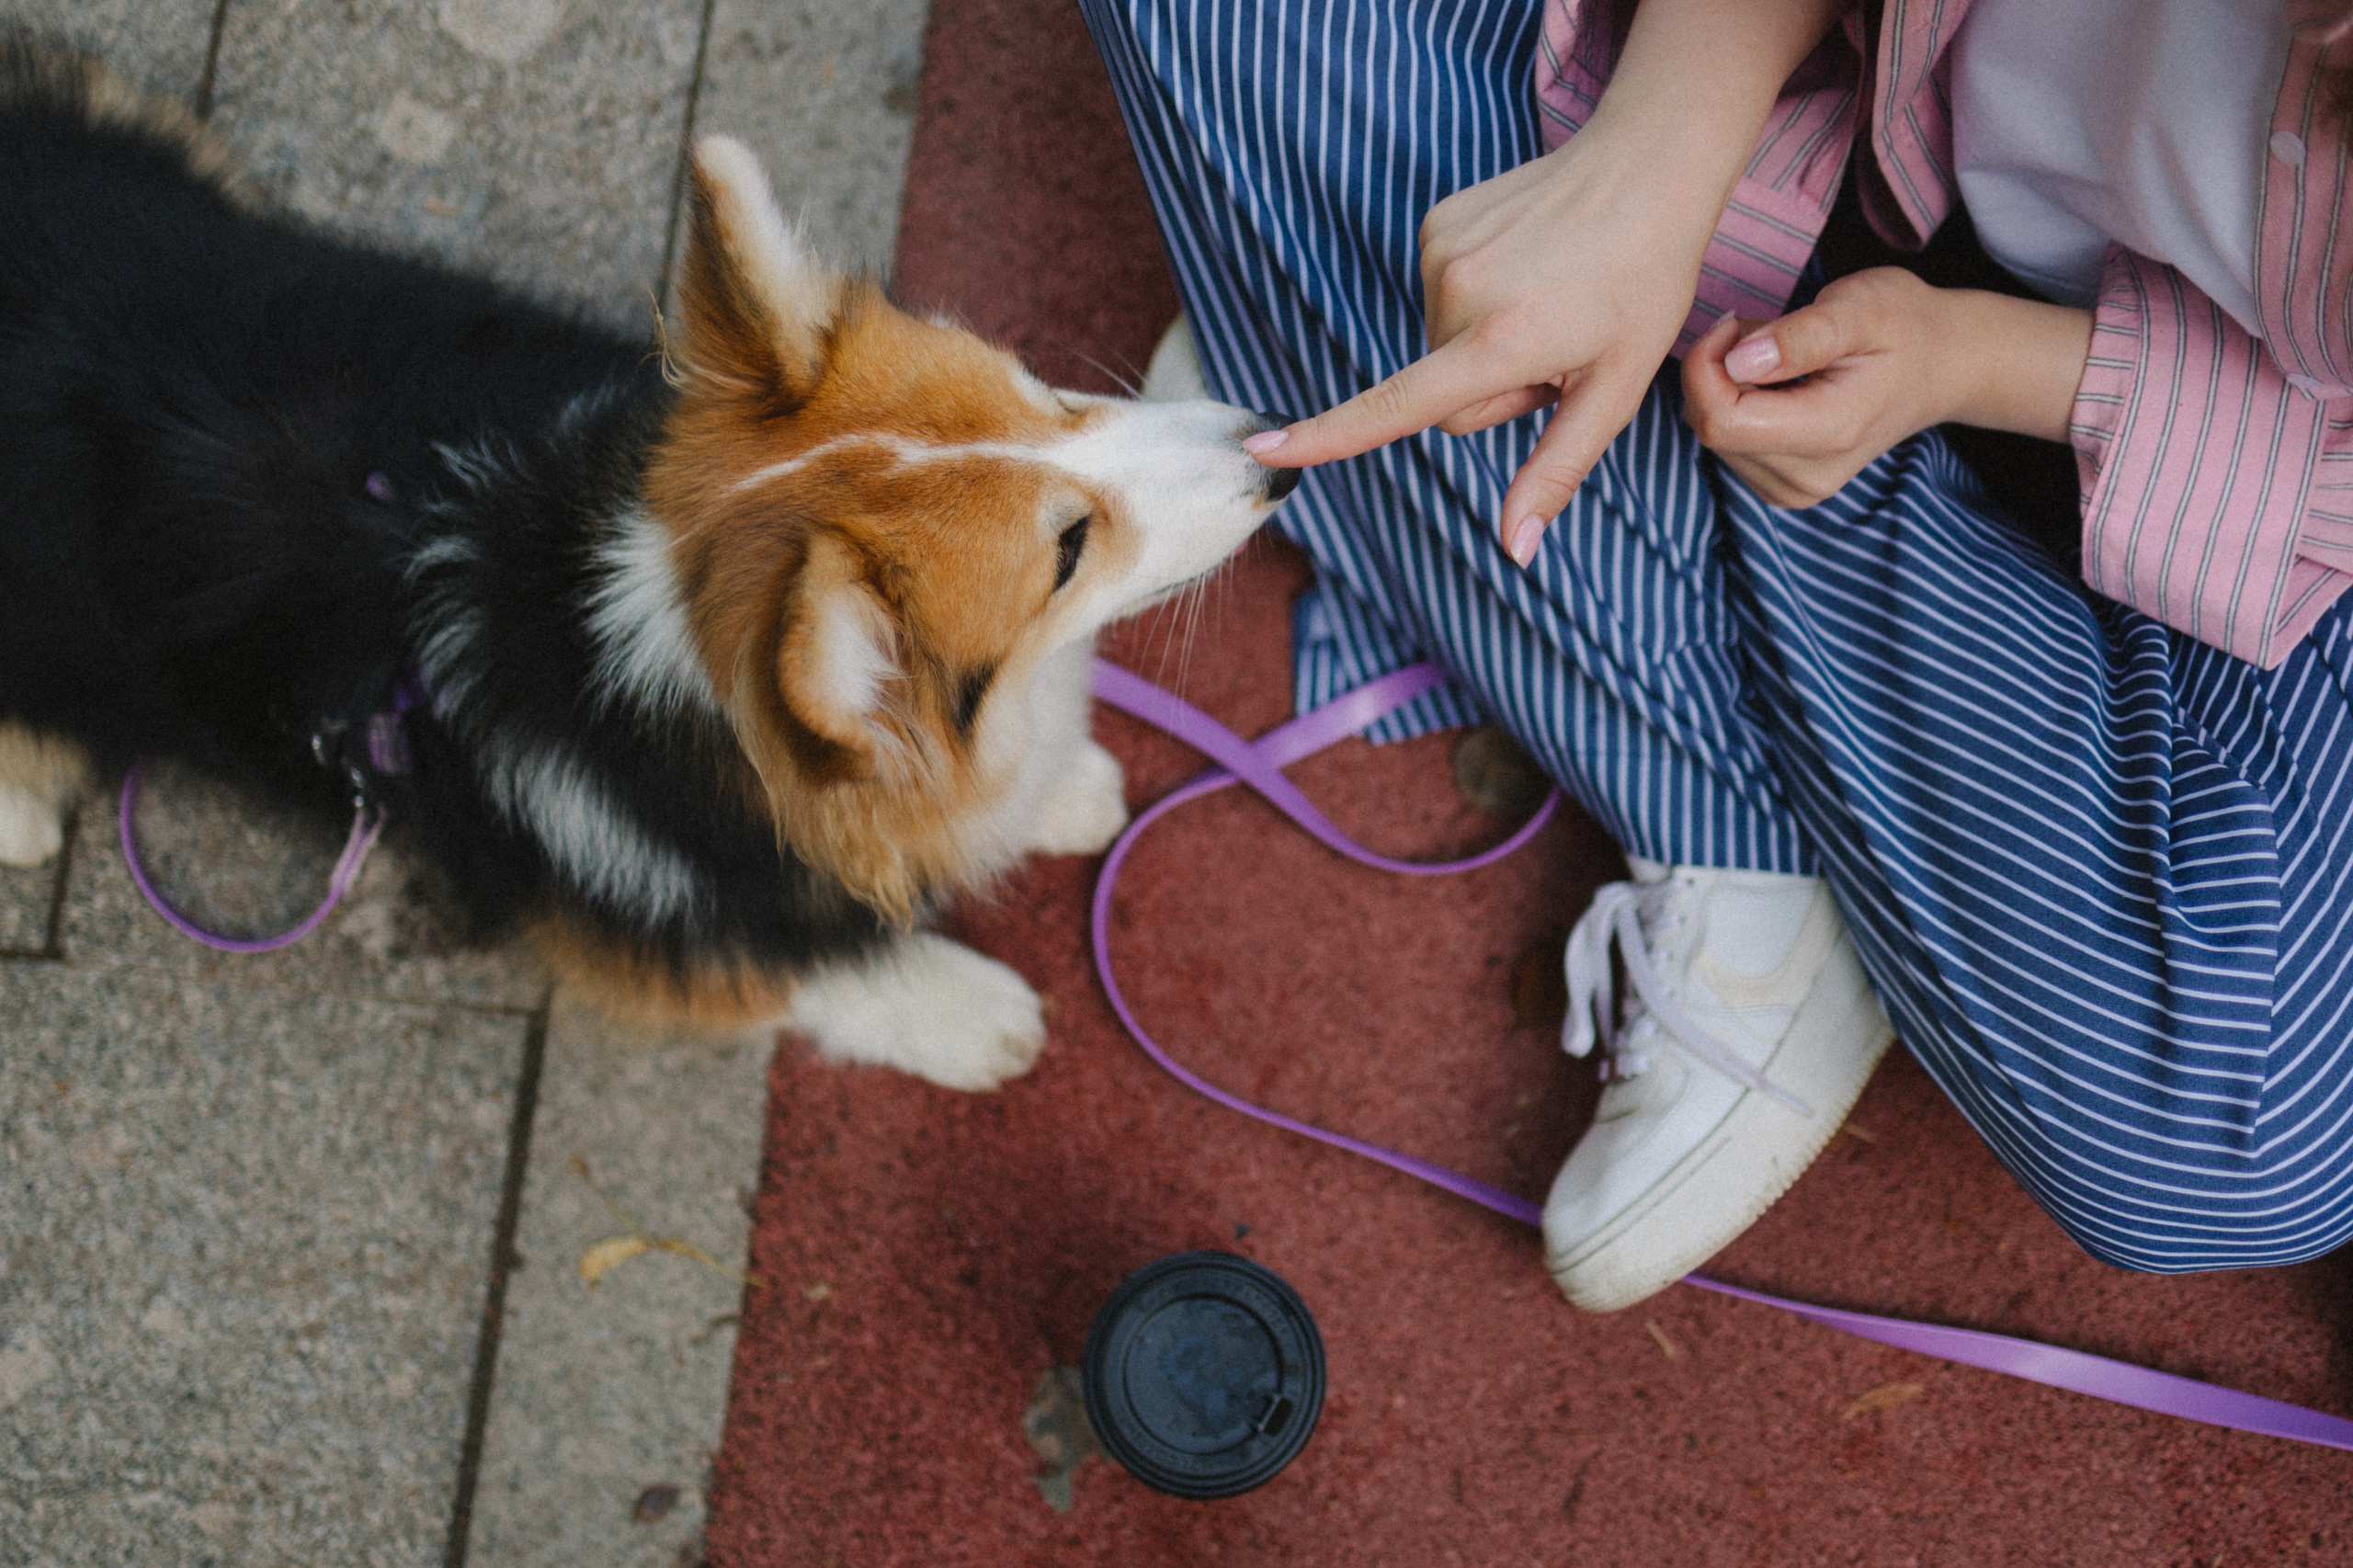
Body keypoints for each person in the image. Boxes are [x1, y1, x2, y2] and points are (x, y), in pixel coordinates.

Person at [1080, 0, 2353, 1310]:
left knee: (2241, 1138)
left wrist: (1974, 361)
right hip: (1809, 65)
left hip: (2277, 455)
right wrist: (1658, 147)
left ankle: (1475, 416)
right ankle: (1687, 708)